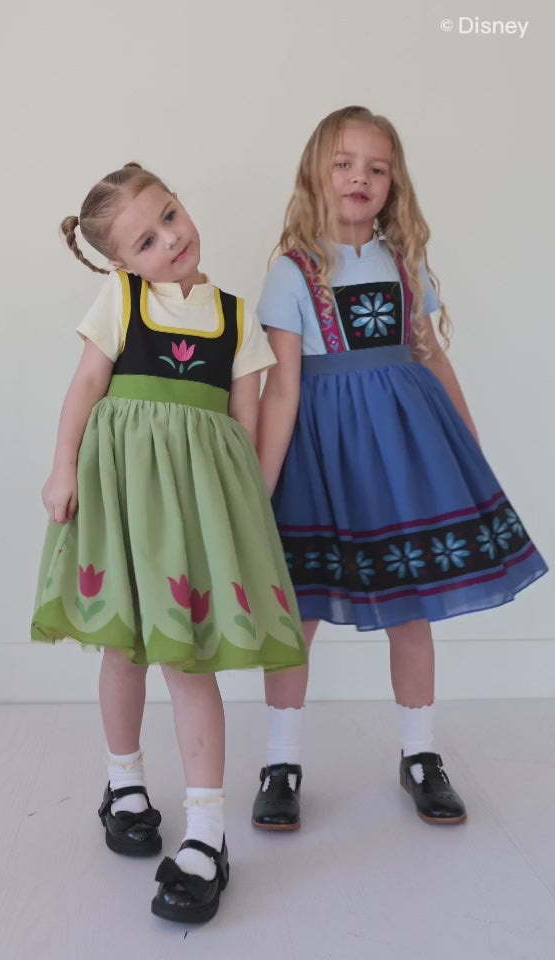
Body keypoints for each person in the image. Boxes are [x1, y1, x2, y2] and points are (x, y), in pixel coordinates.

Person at [251, 106, 548, 832]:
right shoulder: (292, 272)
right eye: (344, 163)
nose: (360, 178)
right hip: (321, 458)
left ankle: (420, 754)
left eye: (376, 168)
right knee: (297, 615)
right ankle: (281, 763)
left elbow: (430, 356)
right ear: (315, 174)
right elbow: (282, 388)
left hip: (404, 456)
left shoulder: (403, 263)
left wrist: (468, 443)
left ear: (393, 183)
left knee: (412, 607)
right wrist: (260, 486)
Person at [31, 162, 306, 923]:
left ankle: (207, 834)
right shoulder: (122, 301)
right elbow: (86, 388)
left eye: (171, 217)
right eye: (146, 242)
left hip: (196, 513)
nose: (170, 240)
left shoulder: (236, 316)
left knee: (187, 659)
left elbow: (245, 424)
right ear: (123, 263)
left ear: (182, 205)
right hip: (123, 499)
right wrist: (63, 468)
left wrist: (246, 510)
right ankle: (125, 783)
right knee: (124, 648)